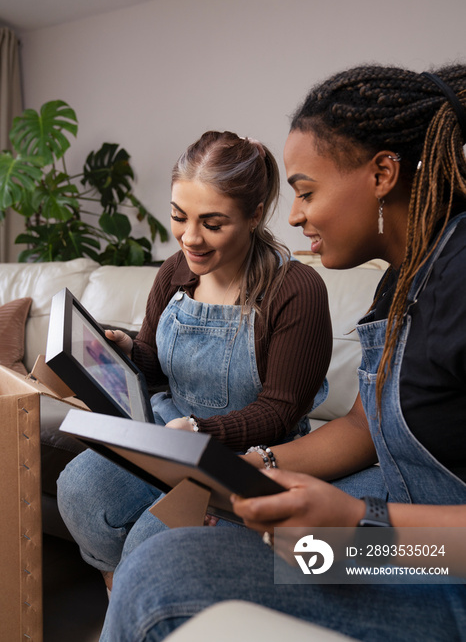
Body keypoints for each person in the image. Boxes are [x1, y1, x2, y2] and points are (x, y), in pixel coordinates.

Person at [98, 64, 466, 642]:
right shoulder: (402, 280)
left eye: (307, 192)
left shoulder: (461, 277)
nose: (293, 217)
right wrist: (263, 468)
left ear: (383, 173)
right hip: (404, 529)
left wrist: (359, 524)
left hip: (437, 562)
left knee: (159, 576)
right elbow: (367, 425)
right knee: (214, 526)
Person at [57, 130, 332, 589]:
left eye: (212, 223)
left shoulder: (295, 290)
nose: (190, 238)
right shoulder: (174, 271)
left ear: (254, 215)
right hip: (169, 431)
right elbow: (153, 363)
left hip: (242, 456)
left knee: (153, 540)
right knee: (80, 493)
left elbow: (282, 410)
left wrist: (202, 433)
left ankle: (140, 600)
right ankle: (122, 596)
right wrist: (128, 353)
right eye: (179, 217)